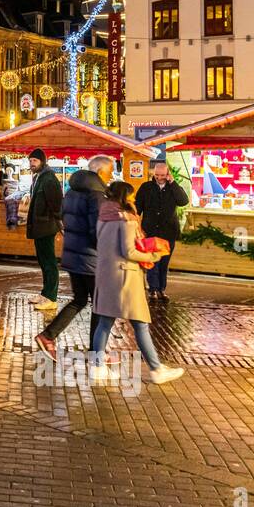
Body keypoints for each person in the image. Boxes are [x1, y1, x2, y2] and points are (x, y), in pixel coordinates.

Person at [91, 181, 183, 385]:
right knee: (141, 324)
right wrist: (153, 255)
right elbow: (129, 252)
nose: (133, 200)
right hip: (126, 278)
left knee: (105, 323)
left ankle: (97, 367)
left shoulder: (102, 218)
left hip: (106, 275)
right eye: (131, 196)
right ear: (124, 197)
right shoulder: (127, 221)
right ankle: (157, 369)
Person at [35, 156, 112, 361]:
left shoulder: (71, 191)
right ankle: (97, 352)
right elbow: (97, 230)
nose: (111, 175)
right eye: (110, 171)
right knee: (100, 304)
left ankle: (48, 336)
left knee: (80, 299)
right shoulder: (96, 195)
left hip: (73, 253)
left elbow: (63, 216)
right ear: (101, 172)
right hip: (91, 258)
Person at [135, 159, 190, 301]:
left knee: (164, 262)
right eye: (157, 175)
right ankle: (153, 289)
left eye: (162, 175)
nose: (159, 178)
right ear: (153, 174)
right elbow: (137, 208)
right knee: (153, 262)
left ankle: (162, 289)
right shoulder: (146, 187)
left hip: (168, 232)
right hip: (151, 231)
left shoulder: (173, 188)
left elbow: (183, 201)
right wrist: (138, 227)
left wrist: (173, 183)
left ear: (168, 174)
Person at [25, 148, 63, 314]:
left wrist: (59, 224)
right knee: (43, 260)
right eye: (30, 161)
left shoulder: (49, 179)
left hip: (46, 227)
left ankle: (51, 298)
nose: (32, 164)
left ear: (42, 162)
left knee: (49, 262)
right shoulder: (39, 177)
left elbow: (56, 204)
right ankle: (45, 293)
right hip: (40, 226)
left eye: (35, 161)